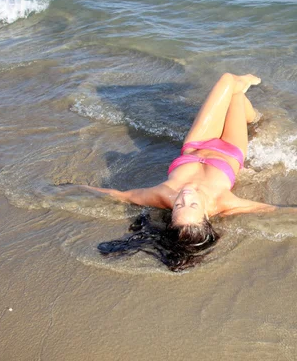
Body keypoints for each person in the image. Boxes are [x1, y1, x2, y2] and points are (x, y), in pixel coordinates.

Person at [88, 73, 283, 271]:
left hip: (196, 143)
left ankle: (245, 93)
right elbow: (272, 210)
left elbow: (119, 195)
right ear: (205, 215)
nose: (186, 196)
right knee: (237, 98)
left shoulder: (162, 194)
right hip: (230, 147)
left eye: (180, 204)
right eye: (193, 204)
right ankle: (256, 117)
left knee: (226, 80)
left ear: (171, 214)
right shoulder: (222, 201)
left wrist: (63, 191)